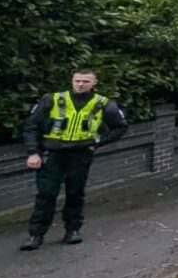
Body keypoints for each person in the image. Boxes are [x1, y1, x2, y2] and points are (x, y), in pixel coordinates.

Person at [20, 69, 127, 251]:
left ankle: (72, 231)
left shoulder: (103, 104)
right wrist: (33, 152)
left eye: (86, 81)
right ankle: (35, 235)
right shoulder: (53, 99)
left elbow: (120, 127)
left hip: (80, 154)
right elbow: (31, 126)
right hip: (53, 154)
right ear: (72, 81)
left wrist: (97, 142)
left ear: (94, 83)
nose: (81, 84)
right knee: (46, 194)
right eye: (77, 80)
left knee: (75, 193)